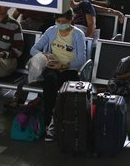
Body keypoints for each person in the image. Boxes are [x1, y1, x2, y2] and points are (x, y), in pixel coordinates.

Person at [30, 8, 87, 141]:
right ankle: (48, 121)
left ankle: (61, 123)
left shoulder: (78, 35)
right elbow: (34, 49)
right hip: (52, 67)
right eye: (58, 21)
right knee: (50, 81)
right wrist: (45, 56)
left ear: (71, 20)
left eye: (64, 22)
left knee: (64, 87)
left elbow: (81, 60)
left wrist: (63, 65)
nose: (61, 24)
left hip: (69, 69)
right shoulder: (51, 31)